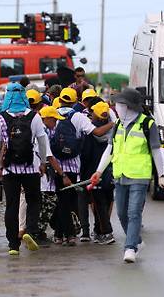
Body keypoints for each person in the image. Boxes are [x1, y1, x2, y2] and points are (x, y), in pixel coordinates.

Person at [90, 88, 164, 263]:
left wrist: (162, 175)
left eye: (120, 105)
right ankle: (136, 240)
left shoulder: (147, 124)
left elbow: (156, 150)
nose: (117, 108)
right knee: (122, 214)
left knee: (134, 212)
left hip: (140, 175)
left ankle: (130, 248)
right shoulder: (118, 125)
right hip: (120, 174)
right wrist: (98, 171)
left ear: (129, 107)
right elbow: (110, 149)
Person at [0, 82, 50, 255]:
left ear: (7, 96)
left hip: (10, 169)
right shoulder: (34, 116)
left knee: (12, 205)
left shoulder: (0, 118)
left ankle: (12, 245)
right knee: (33, 201)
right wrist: (43, 162)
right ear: (24, 96)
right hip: (30, 167)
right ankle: (30, 231)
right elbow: (41, 140)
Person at [52, 87, 113, 246]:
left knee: (61, 200)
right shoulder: (77, 116)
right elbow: (97, 132)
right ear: (75, 101)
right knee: (71, 200)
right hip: (73, 166)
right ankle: (70, 234)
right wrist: (113, 124)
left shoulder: (51, 114)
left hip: (55, 164)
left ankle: (60, 234)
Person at [79, 101, 116, 245]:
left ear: (96, 116)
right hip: (110, 173)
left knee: (99, 204)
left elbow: (86, 155)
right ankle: (100, 231)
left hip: (93, 174)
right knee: (107, 201)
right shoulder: (113, 133)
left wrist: (83, 174)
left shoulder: (89, 133)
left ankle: (105, 232)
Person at [35, 106, 70, 246]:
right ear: (47, 119)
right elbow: (50, 157)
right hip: (41, 176)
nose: (55, 123)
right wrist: (63, 175)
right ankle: (38, 234)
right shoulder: (42, 133)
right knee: (47, 204)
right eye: (54, 120)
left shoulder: (34, 129)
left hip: (29, 172)